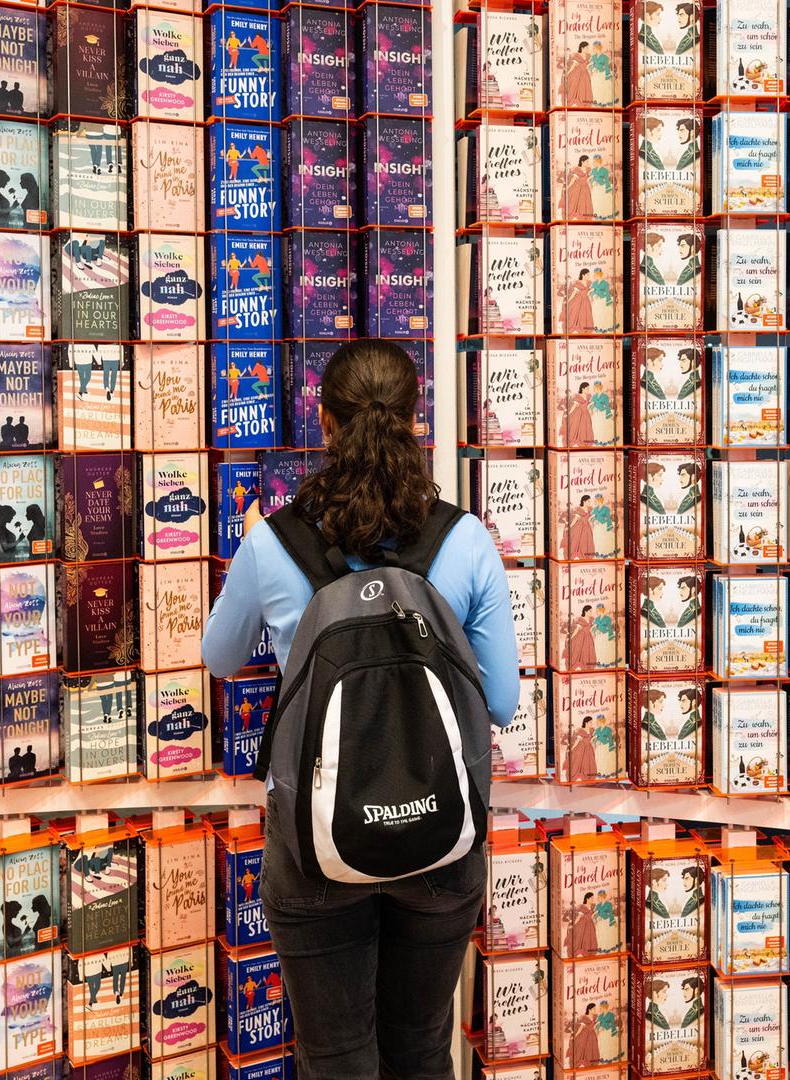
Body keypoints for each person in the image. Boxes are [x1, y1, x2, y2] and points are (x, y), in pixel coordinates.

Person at [201, 340, 519, 1080]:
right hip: (441, 839)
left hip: (315, 848)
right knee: (419, 1047)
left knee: (335, 1058)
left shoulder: (274, 544)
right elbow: (500, 702)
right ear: (417, 420)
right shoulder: (465, 541)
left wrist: (252, 554)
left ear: (323, 422)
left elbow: (219, 658)